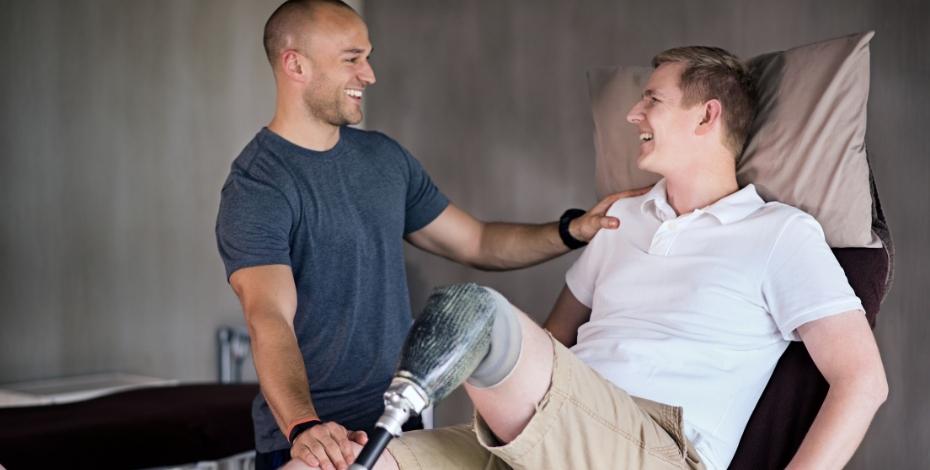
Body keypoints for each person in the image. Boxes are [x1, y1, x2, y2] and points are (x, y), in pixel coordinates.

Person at [286, 45, 888, 470]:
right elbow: (551, 344)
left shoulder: (780, 233)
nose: (632, 115)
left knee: (473, 313)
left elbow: (862, 382)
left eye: (652, 100)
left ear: (708, 115)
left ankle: (411, 399)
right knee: (329, 466)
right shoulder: (621, 221)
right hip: (542, 433)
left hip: (655, 445)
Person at [214, 1, 636, 469]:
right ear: (296, 65)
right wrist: (303, 426)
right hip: (314, 441)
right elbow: (269, 316)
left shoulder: (383, 159)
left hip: (398, 428)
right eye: (352, 59)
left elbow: (477, 241)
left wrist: (573, 229)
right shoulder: (258, 185)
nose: (369, 75)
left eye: (367, 57)